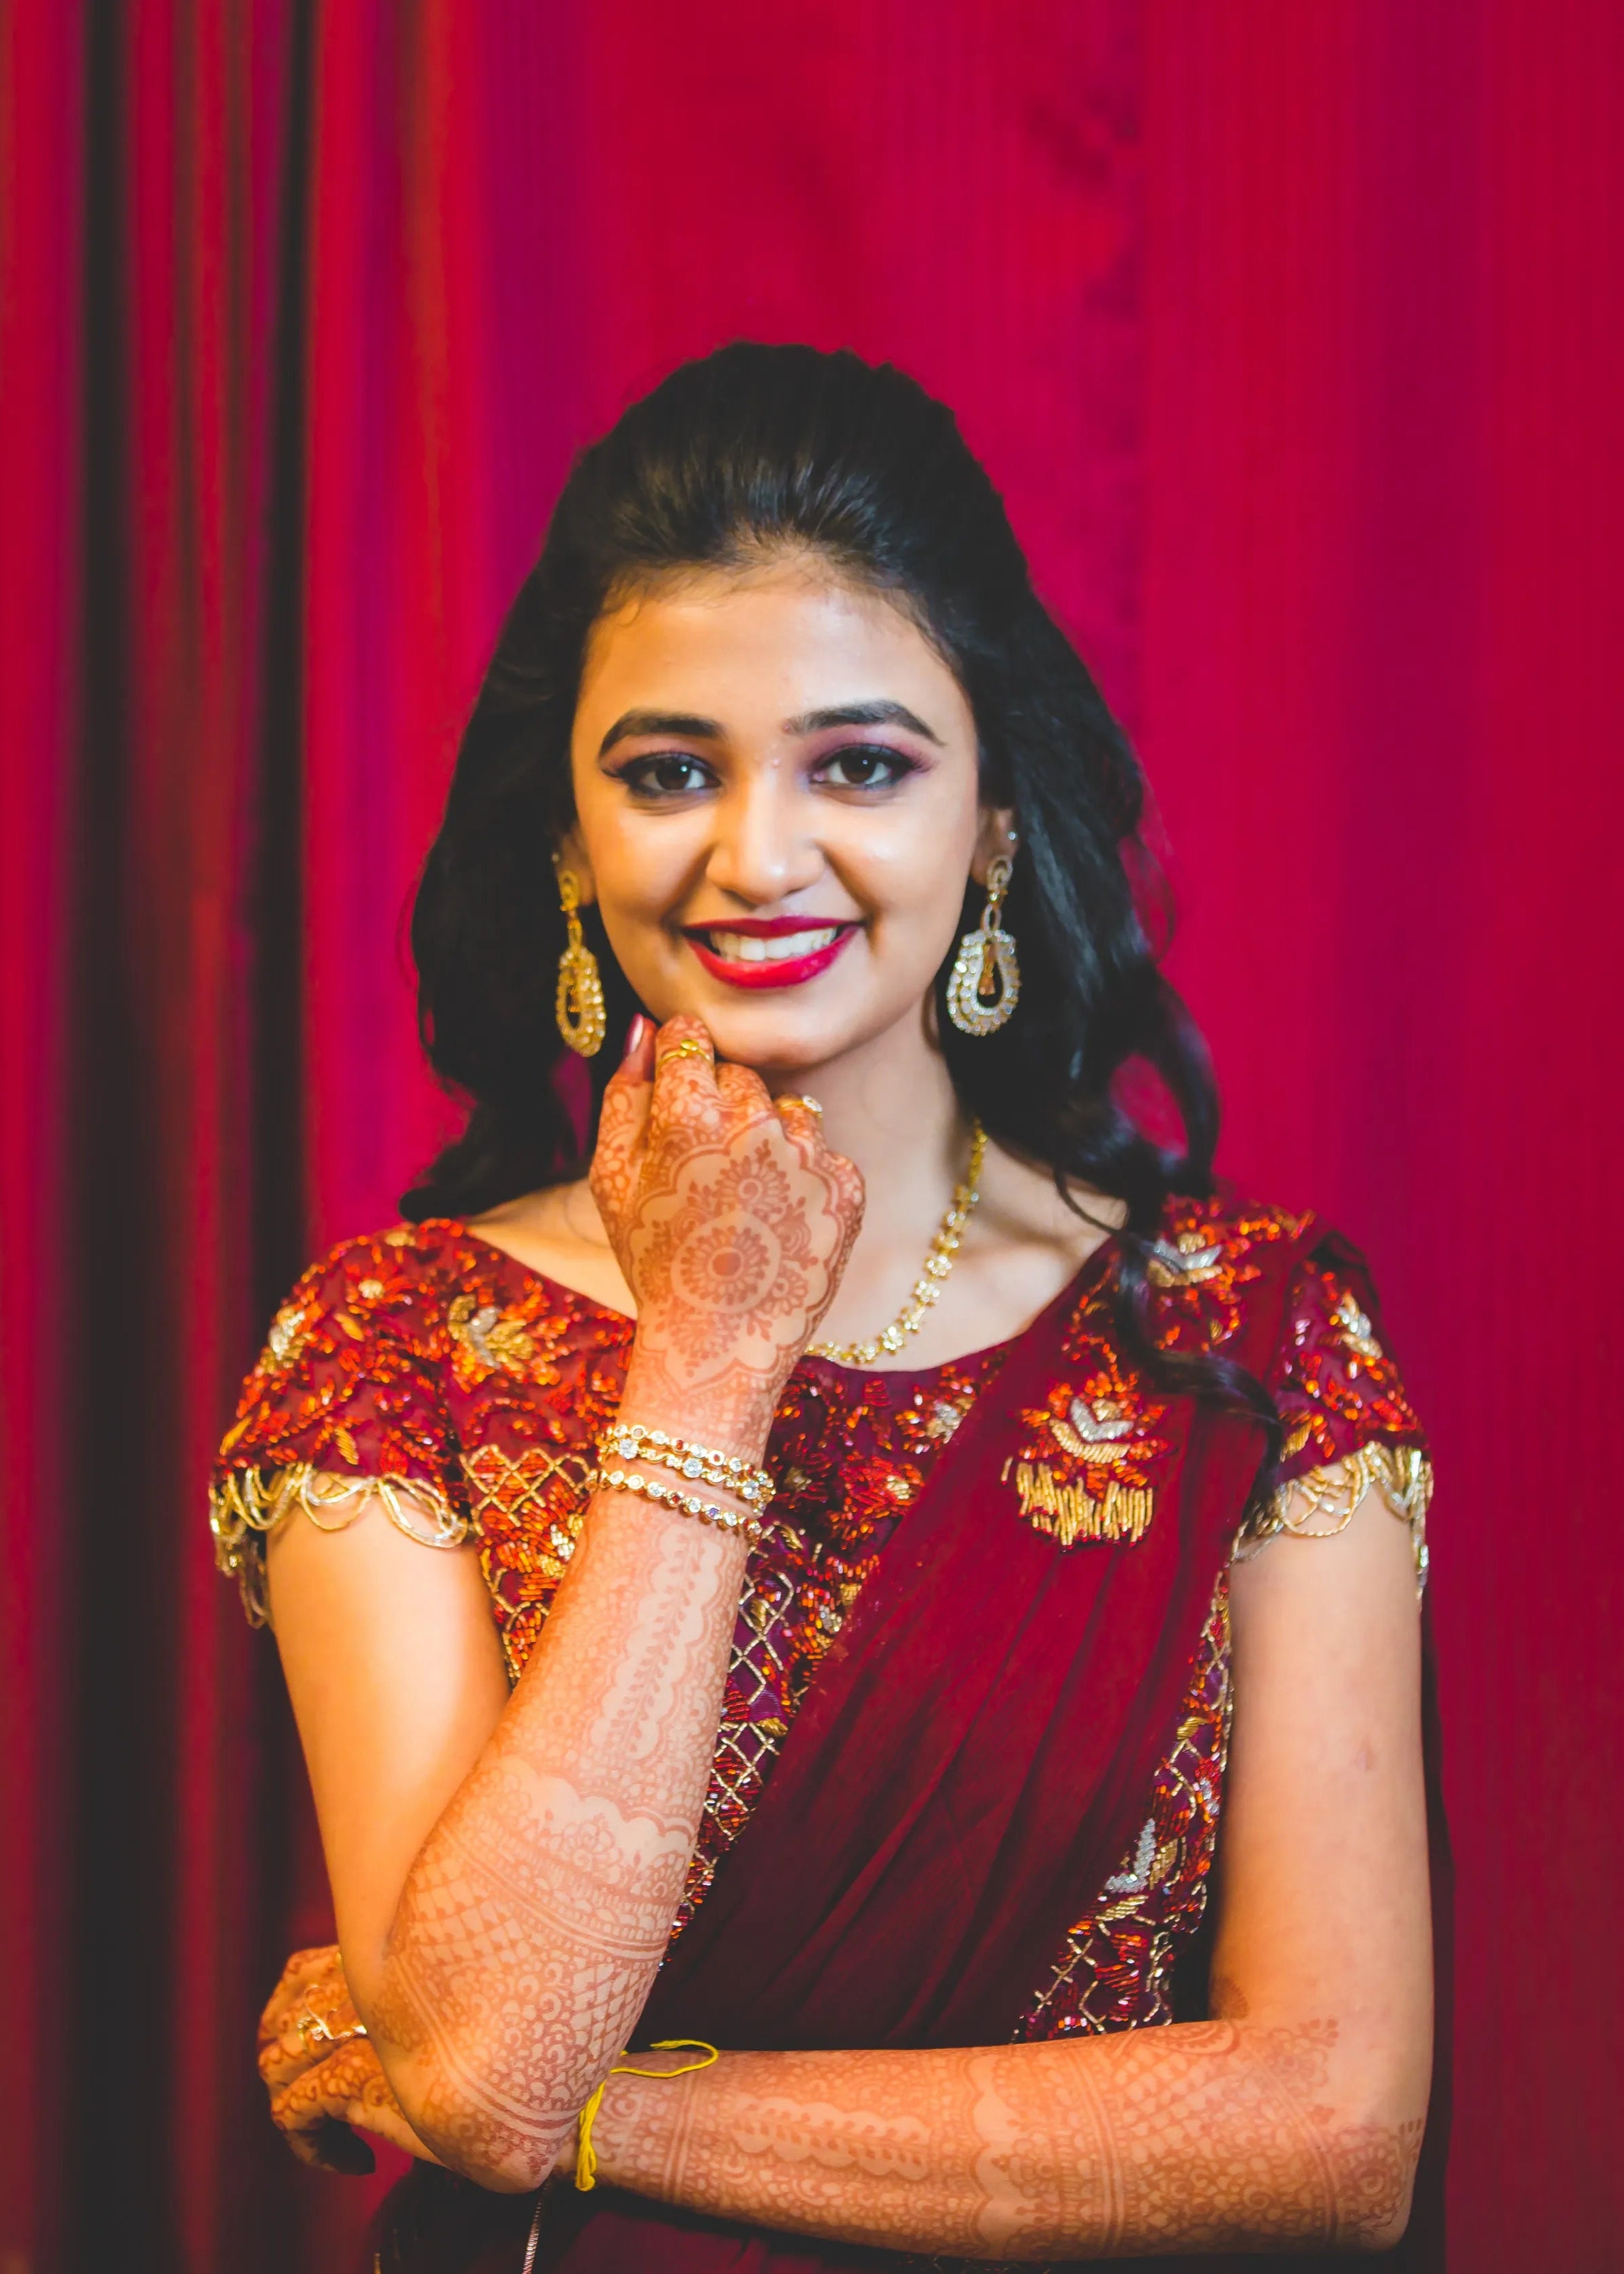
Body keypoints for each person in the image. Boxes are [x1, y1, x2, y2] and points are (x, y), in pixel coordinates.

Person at [212, 343, 1441, 2271]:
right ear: (568, 841)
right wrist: (706, 1359)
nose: (756, 856)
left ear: (998, 831)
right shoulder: (396, 1351)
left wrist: (609, 2109)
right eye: (668, 770)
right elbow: (479, 2049)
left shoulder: (1251, 1344)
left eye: (858, 764)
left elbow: (1331, 2119)